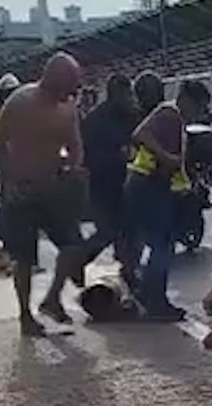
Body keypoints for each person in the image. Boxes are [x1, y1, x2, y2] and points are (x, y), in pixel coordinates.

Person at [0, 52, 86, 337]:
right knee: (24, 258)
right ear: (52, 81)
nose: (72, 92)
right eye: (69, 85)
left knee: (73, 246)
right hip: (20, 191)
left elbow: (75, 147)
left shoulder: (67, 108)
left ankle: (52, 298)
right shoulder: (21, 101)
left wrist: (71, 168)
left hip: (52, 187)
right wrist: (10, 179)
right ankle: (25, 316)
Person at [124, 79, 211, 321]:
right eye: (199, 107)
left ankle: (150, 294)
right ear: (186, 100)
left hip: (154, 185)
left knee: (163, 243)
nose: (199, 113)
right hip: (146, 185)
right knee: (163, 244)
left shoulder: (177, 119)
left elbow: (177, 163)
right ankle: (155, 301)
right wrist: (166, 157)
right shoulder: (169, 113)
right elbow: (139, 134)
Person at [80, 74, 137, 272]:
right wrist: (117, 156)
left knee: (128, 233)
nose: (129, 98)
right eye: (126, 94)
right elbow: (84, 155)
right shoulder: (95, 119)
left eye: (130, 93)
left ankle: (128, 274)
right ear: (114, 94)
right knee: (107, 232)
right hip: (101, 186)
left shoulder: (131, 115)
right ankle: (78, 260)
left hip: (127, 185)